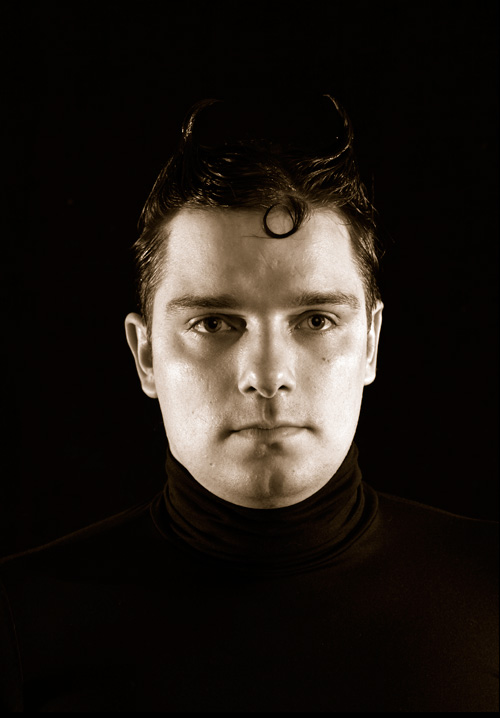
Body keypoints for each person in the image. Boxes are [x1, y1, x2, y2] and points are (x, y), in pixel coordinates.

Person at [1, 94, 497, 712]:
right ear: (145, 354)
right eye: (213, 323)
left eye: (316, 320)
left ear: (370, 343)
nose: (267, 376)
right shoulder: (19, 621)